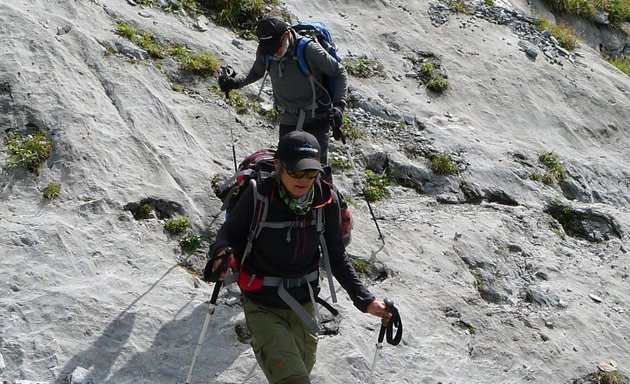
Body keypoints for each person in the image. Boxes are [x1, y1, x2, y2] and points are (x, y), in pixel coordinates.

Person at [208, 131, 391, 384]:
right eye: (296, 172)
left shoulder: (326, 200)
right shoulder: (259, 195)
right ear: (278, 166)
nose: (304, 180)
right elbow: (228, 233)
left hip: (305, 306)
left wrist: (366, 300)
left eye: (311, 173)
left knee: (299, 373)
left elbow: (337, 258)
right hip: (263, 305)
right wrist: (220, 255)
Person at [218, 16, 348, 168]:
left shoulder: (308, 49)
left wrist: (339, 105)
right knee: (285, 167)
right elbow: (256, 72)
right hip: (288, 118)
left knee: (316, 167)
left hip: (317, 116)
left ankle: (325, 191)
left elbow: (339, 73)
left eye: (276, 48)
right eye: (269, 49)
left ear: (286, 35)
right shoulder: (266, 49)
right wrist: (236, 82)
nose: (273, 53)